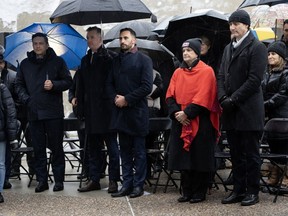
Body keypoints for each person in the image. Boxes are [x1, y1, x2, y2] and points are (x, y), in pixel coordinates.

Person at [217, 10, 267, 206]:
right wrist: (222, 97)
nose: (232, 27)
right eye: (230, 24)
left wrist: (233, 99)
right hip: (231, 109)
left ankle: (252, 191)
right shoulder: (228, 47)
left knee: (251, 154)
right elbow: (221, 75)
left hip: (248, 109)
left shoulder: (257, 47)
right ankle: (238, 190)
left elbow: (254, 80)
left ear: (246, 25)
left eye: (236, 23)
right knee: (236, 153)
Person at [15, 32, 72, 193]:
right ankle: (42, 180)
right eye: (35, 44)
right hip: (34, 113)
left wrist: (54, 84)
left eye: (41, 43)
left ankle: (59, 180)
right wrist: (27, 100)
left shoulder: (58, 62)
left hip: (53, 113)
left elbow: (68, 81)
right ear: (32, 45)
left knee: (56, 148)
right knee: (38, 149)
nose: (38, 46)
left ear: (47, 45)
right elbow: (19, 85)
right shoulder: (25, 64)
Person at [166, 38, 220, 203]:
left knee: (199, 157)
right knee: (184, 157)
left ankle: (199, 191)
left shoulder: (207, 71)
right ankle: (186, 190)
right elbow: (170, 95)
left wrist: (187, 113)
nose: (186, 53)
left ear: (197, 52)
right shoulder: (177, 72)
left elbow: (205, 95)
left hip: (200, 119)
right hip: (180, 120)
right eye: (183, 51)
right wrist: (177, 113)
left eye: (189, 50)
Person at [106, 28, 153, 198]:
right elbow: (109, 83)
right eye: (120, 38)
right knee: (124, 151)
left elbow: (147, 86)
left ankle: (138, 185)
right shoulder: (116, 60)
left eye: (125, 38)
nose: (122, 41)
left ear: (134, 40)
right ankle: (126, 184)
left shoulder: (144, 60)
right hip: (120, 113)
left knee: (139, 152)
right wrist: (115, 98)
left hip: (137, 113)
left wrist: (127, 99)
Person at [76, 26, 120, 193]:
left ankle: (114, 179)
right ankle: (94, 179)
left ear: (100, 39)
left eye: (92, 37)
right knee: (93, 148)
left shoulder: (111, 58)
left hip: (107, 111)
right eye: (87, 37)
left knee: (112, 147)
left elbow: (115, 83)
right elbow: (81, 86)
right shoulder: (85, 60)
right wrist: (80, 108)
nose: (89, 40)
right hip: (91, 111)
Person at [0, 45, 34, 190]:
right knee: (7, 150)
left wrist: (8, 105)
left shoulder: (13, 77)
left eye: (1, 61)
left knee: (18, 145)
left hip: (18, 117)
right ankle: (11, 172)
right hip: (4, 119)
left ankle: (30, 169)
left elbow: (20, 97)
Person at [261, 41, 288, 187]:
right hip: (269, 114)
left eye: (273, 54)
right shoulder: (266, 72)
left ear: (281, 57)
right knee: (273, 145)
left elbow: (282, 94)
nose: (270, 56)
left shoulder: (286, 73)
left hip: (282, 114)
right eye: (269, 54)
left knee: (284, 146)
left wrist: (265, 104)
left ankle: (285, 175)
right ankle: (275, 173)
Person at [0, 81, 18, 203]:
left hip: (0, 133)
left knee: (0, 163)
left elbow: (10, 113)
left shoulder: (2, 89)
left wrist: (12, 137)